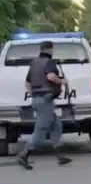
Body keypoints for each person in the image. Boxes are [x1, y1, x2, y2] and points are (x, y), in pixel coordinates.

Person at [17, 41, 72, 170]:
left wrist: (34, 94)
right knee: (41, 130)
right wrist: (62, 81)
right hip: (45, 100)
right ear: (50, 50)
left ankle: (60, 156)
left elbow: (27, 83)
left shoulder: (34, 63)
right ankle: (24, 154)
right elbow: (51, 76)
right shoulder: (49, 62)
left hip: (37, 100)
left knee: (56, 125)